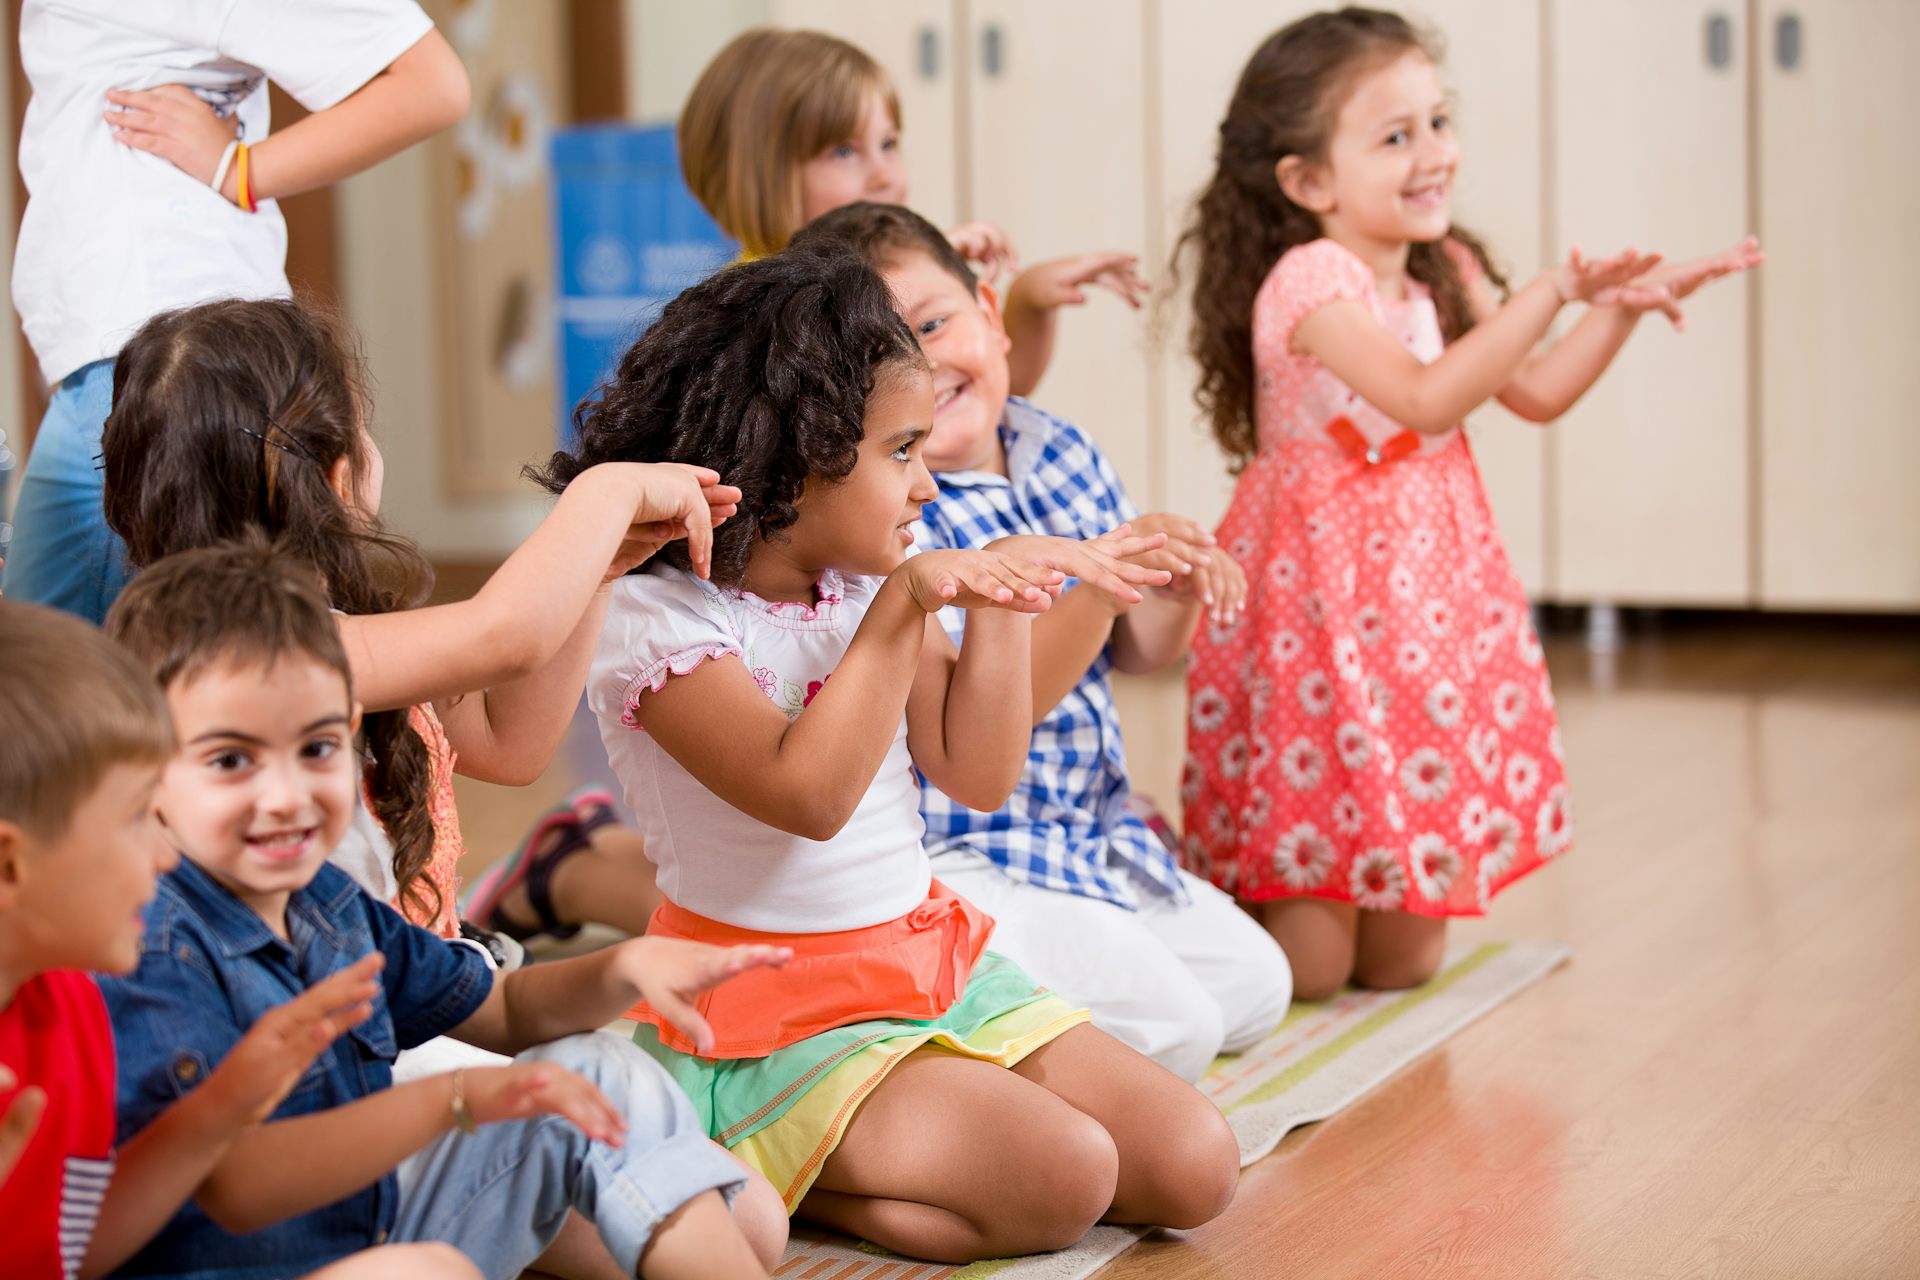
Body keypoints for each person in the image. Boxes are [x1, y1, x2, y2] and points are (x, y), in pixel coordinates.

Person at [533, 243, 1240, 1264]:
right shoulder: (657, 611)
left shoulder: (868, 576)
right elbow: (806, 792)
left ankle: (821, 1165)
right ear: (795, 462)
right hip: (769, 1007)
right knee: (1068, 1174)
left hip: (925, 957)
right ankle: (765, 1141)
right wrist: (910, 604)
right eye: (900, 451)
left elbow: (976, 771)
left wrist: (998, 599)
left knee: (1195, 1162)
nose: (926, 485)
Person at [1172, 6, 1761, 997]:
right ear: (1310, 181)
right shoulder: (1310, 277)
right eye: (1395, 136)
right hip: (1318, 611)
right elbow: (1422, 394)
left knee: (1404, 963)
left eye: (1439, 123)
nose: (1433, 153)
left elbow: (1530, 389)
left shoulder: (1446, 266)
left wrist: (1613, 311)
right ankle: (1203, 908)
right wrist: (1550, 291)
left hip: (1422, 605)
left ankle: (1320, 901)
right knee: (1309, 971)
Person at [99, 539, 793, 1279]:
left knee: (597, 1072)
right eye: (232, 760)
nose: (287, 795)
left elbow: (503, 1011)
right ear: (145, 773)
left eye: (318, 747)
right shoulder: (149, 949)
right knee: (426, 1269)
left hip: (358, 1224)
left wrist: (624, 966)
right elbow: (235, 1190)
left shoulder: (328, 905)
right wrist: (458, 1099)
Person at [792, 201, 1294, 1082]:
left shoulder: (1057, 447)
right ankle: (940, 1014)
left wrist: (1163, 585)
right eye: (881, 354)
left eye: (937, 323)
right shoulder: (896, 521)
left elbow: (1138, 653)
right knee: (1183, 1031)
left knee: (1258, 989)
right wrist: (1096, 593)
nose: (924, 365)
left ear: (991, 314)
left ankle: (1027, 1000)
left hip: (1087, 831)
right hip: (971, 851)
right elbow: (978, 738)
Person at [100, 298, 731, 947]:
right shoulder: (245, 651)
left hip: (413, 976)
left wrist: (598, 574)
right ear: (338, 477)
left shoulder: (350, 631)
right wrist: (604, 492)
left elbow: (510, 743)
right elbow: (506, 636)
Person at [0, 597, 479, 1280]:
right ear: (11, 865)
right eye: (136, 819)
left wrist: (224, 1105)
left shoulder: (70, 1006)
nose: (164, 859)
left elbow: (79, 1250)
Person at [5, 0, 469, 622]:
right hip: (128, 358)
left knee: (58, 676)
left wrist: (242, 169)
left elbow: (431, 85)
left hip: (157, 360)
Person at [678, 26, 1144, 398]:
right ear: (760, 173)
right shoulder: (755, 313)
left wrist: (1026, 299)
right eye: (844, 151)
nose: (884, 175)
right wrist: (908, 286)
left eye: (888, 144)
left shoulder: (868, 279)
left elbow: (989, 395)